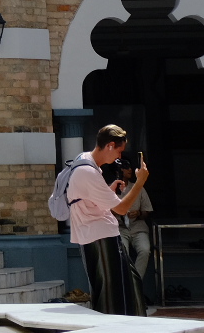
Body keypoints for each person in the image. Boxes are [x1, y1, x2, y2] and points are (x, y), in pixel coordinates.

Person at [67, 124, 149, 316]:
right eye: (119, 151)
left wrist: (108, 192)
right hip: (100, 236)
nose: (119, 157)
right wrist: (140, 182)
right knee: (112, 294)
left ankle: (132, 326)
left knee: (126, 284)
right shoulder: (88, 171)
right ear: (110, 145)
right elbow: (121, 208)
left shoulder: (84, 160)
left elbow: (86, 199)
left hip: (99, 234)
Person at [112, 158, 154, 302]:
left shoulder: (138, 187)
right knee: (122, 253)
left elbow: (147, 211)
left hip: (137, 227)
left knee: (144, 250)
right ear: (119, 170)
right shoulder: (109, 188)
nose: (130, 170)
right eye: (126, 167)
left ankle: (134, 286)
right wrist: (116, 212)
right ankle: (126, 290)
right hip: (119, 227)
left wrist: (139, 213)